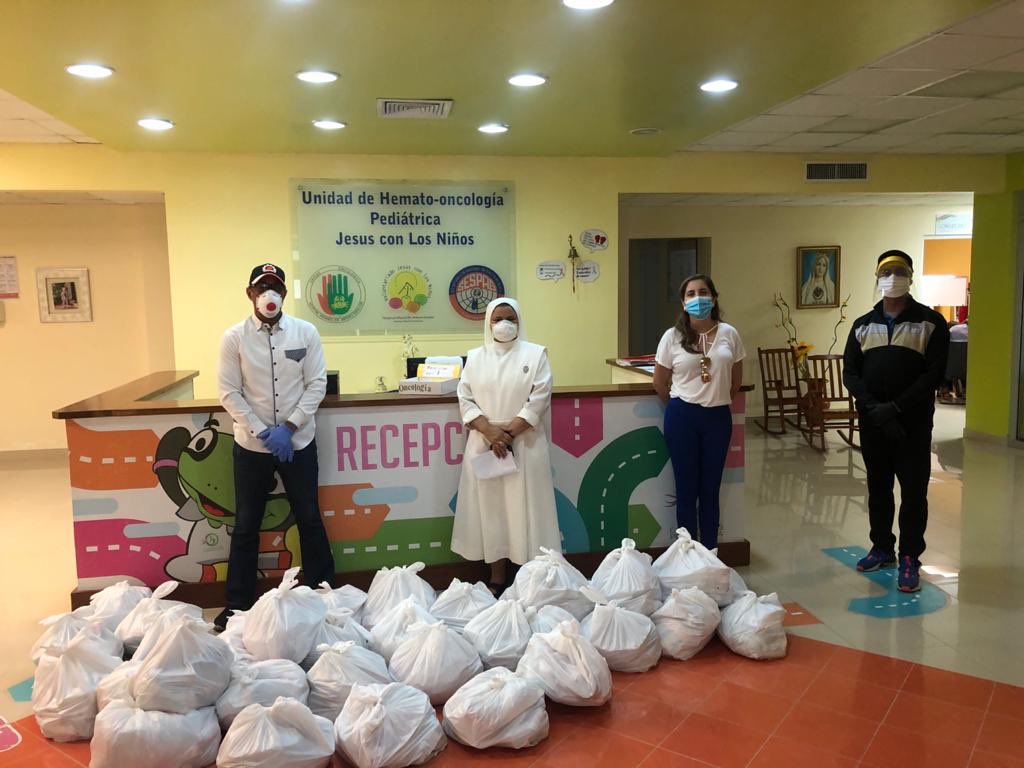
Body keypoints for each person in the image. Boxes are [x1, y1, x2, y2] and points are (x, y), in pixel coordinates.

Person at [215, 262, 335, 628]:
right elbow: (228, 391)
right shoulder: (234, 338)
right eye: (262, 287)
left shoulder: (306, 332)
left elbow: (317, 383)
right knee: (247, 523)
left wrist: (290, 426)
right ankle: (237, 604)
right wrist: (262, 430)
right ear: (250, 293)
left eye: (276, 288)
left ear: (284, 293)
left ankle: (323, 592)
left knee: (309, 517)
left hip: (298, 441)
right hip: (253, 446)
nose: (270, 294)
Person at [843, 250, 949, 592]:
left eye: (899, 271)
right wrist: (876, 408)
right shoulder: (862, 325)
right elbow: (850, 373)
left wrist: (897, 408)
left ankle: (909, 557)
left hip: (913, 425)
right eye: (887, 272)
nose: (893, 277)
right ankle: (882, 547)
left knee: (914, 492)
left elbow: (933, 375)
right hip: (873, 422)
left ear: (910, 276)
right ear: (877, 278)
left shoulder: (931, 323)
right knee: (878, 488)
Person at [451, 298, 561, 595]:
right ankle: (497, 576)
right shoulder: (475, 357)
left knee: (526, 509)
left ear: (519, 320)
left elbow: (539, 398)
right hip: (485, 443)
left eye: (509, 317)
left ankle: (531, 579)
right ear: (488, 323)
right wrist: (489, 432)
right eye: (497, 318)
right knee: (492, 511)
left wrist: (507, 435)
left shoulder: (536, 354)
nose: (504, 324)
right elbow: (465, 398)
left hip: (525, 442)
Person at [653, 274, 745, 549]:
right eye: (690, 294)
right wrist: (681, 406)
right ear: (683, 302)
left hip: (717, 418)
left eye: (703, 292)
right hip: (682, 417)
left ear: (714, 297)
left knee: (710, 489)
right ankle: (686, 552)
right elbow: (659, 381)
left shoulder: (730, 334)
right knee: (686, 489)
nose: (697, 298)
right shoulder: (672, 337)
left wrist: (713, 399)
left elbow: (736, 379)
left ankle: (709, 552)